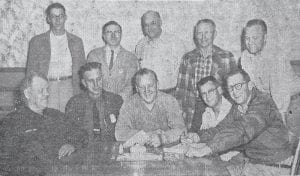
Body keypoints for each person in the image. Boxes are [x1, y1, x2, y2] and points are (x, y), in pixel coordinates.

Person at [185, 69, 292, 176]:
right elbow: (222, 128)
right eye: (230, 88)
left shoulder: (263, 102)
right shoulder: (238, 107)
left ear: (250, 85)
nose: (234, 92)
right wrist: (198, 136)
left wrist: (208, 148)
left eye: (238, 86)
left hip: (276, 166)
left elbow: (242, 130)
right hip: (253, 162)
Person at [2, 72, 88, 175]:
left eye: (47, 89)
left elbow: (82, 133)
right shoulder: (11, 122)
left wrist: (72, 144)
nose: (47, 94)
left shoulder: (55, 115)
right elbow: (5, 162)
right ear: (27, 94)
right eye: (41, 91)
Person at [176, 19, 236, 127]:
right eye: (199, 33)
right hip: (193, 109)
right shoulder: (187, 58)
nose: (203, 37)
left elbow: (233, 90)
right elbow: (181, 91)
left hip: (218, 111)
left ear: (215, 34)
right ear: (195, 35)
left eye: (207, 32)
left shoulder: (226, 57)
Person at [26, 2, 86, 112]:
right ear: (48, 19)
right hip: (47, 87)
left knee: (68, 120)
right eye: (53, 16)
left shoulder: (77, 41)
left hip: (69, 86)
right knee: (49, 120)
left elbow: (83, 71)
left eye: (61, 16)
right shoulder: (37, 42)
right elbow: (31, 72)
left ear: (65, 17)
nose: (57, 20)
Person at [239, 19, 300, 123]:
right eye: (247, 38)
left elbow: (279, 94)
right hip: (268, 99)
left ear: (265, 37)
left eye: (255, 38)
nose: (250, 42)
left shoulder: (275, 57)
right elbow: (250, 87)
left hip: (291, 101)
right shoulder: (245, 56)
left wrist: (282, 130)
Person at [115, 68, 186, 147]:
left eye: (150, 85)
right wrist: (146, 135)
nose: (147, 90)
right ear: (137, 89)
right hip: (139, 153)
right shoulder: (129, 104)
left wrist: (162, 138)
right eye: (142, 87)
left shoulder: (169, 101)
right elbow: (119, 133)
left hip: (166, 151)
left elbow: (181, 130)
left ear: (157, 85)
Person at [65, 62, 123, 143]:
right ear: (84, 83)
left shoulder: (116, 100)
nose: (96, 85)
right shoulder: (74, 103)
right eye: (91, 81)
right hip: (84, 150)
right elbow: (70, 132)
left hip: (110, 149)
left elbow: (122, 131)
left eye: (98, 79)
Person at [135, 10, 186, 95]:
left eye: (153, 23)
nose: (149, 28)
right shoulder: (140, 45)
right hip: (148, 95)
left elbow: (184, 73)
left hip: (171, 93)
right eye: (146, 25)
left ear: (160, 22)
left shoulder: (175, 43)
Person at [87, 21, 138, 101]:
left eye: (116, 32)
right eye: (109, 32)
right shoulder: (94, 55)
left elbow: (130, 85)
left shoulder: (131, 58)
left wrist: (117, 100)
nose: (113, 35)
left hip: (122, 103)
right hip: (97, 101)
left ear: (121, 35)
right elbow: (90, 81)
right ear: (103, 36)